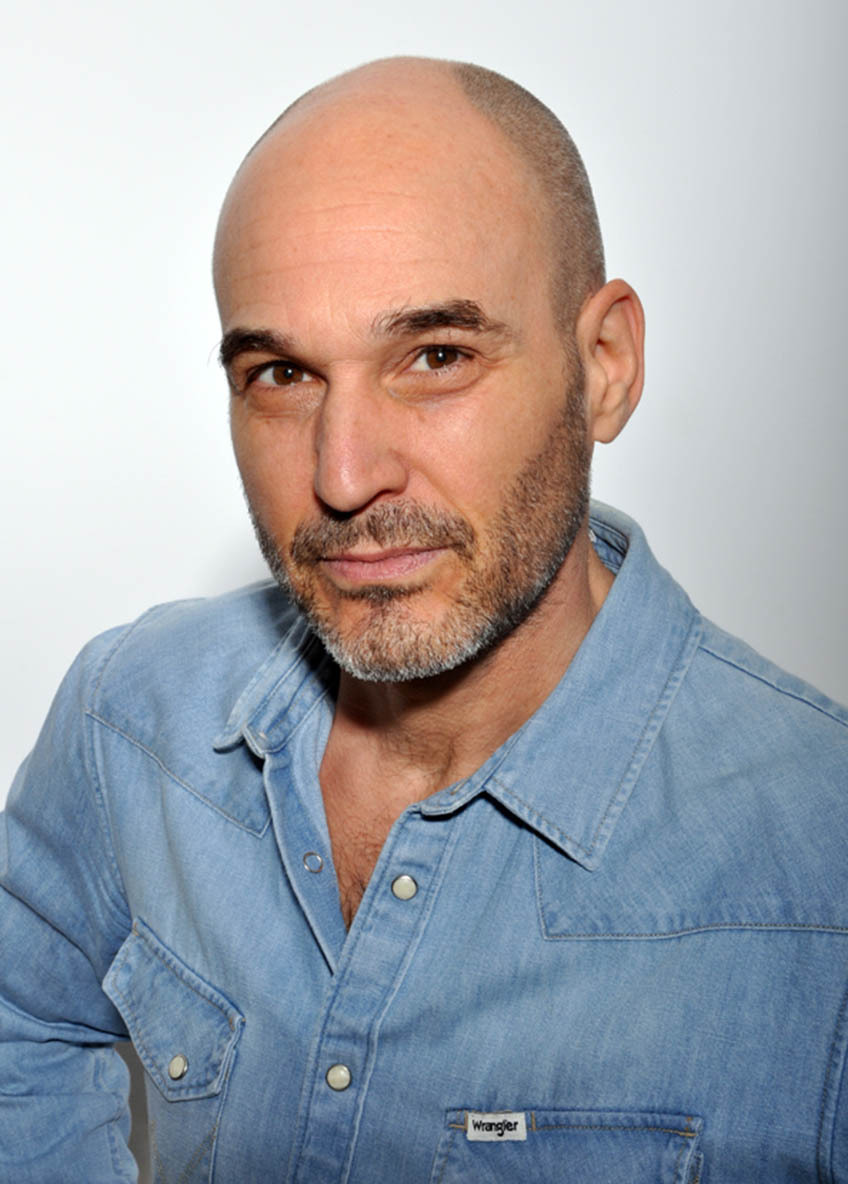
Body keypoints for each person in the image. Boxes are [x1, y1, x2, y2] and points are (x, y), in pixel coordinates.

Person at [1, 56, 846, 1184]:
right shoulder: (132, 715)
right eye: (281, 373)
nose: (343, 475)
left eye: (436, 357)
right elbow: (20, 1015)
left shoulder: (820, 867)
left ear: (603, 366)